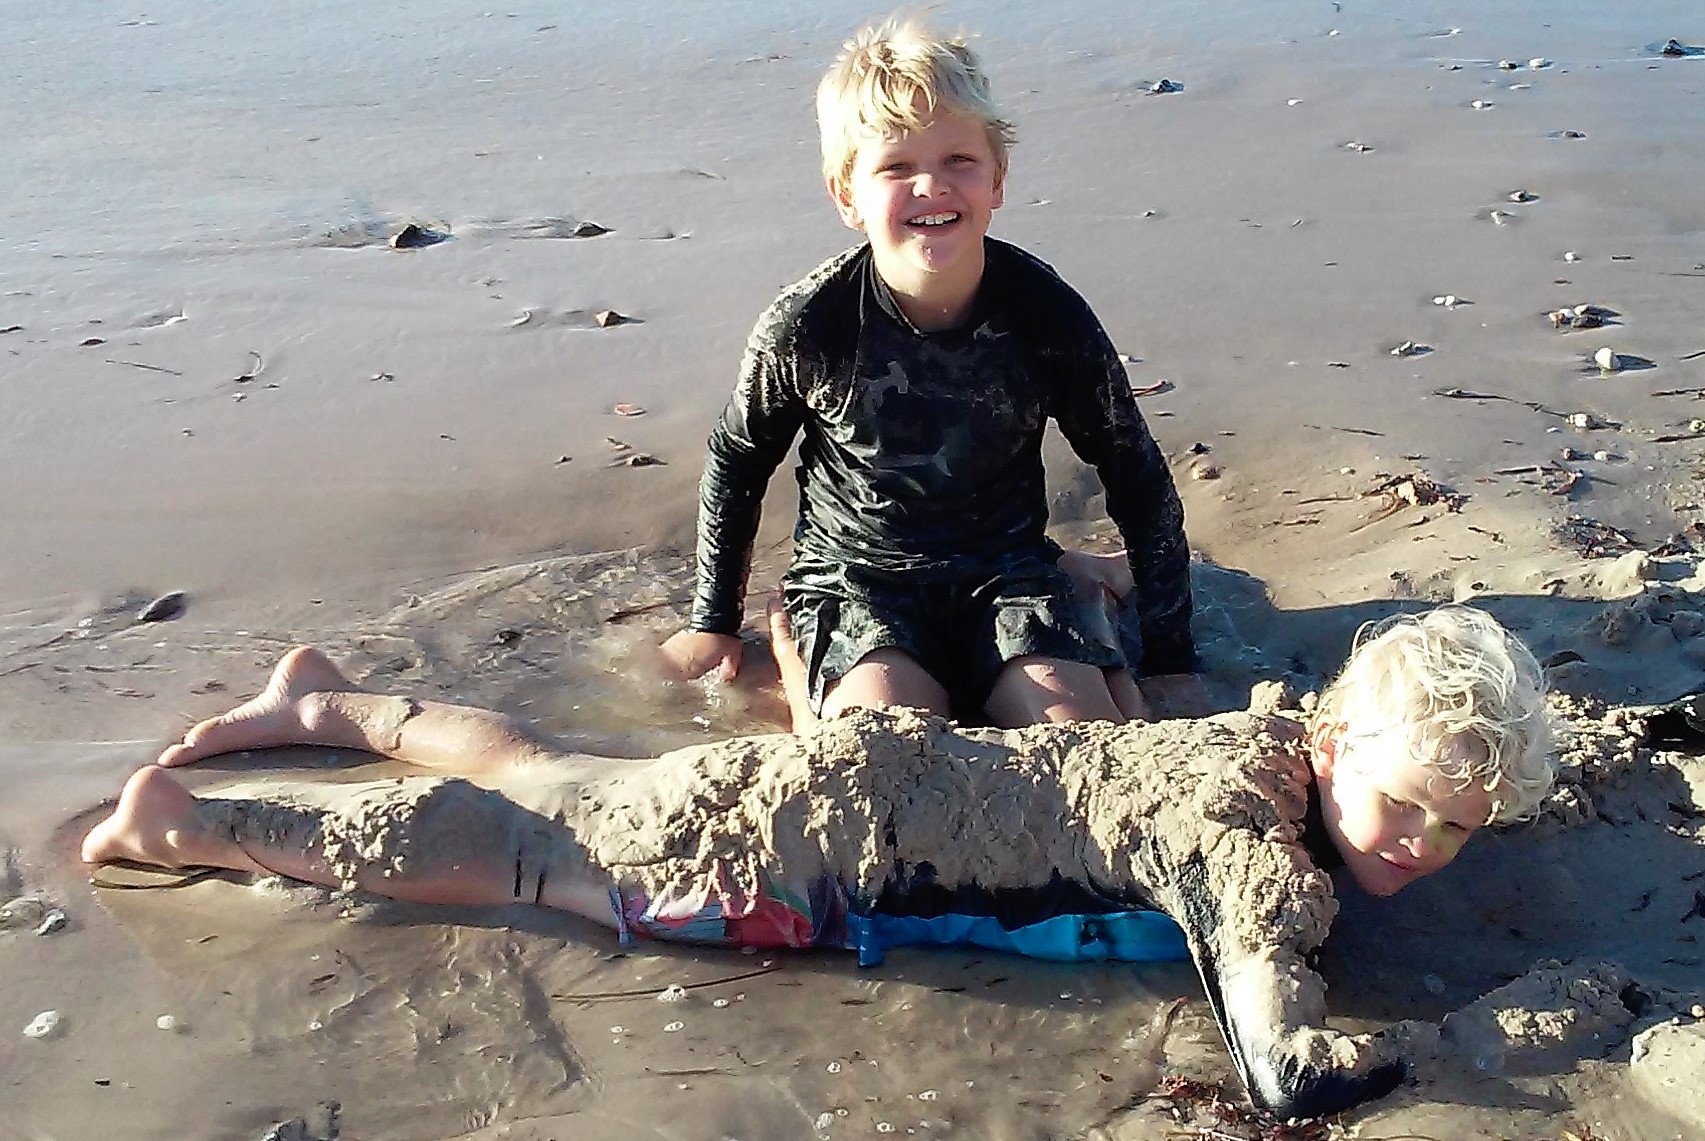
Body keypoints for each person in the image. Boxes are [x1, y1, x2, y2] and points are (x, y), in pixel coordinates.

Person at [82, 604, 1552, 1119]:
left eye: (1456, 827)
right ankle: (203, 826)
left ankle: (333, 705)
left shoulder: (1268, 734)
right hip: (792, 859)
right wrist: (1480, 1042)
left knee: (554, 776)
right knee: (526, 850)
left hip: (868, 779)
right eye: (1404, 805)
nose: (1418, 845)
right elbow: (1282, 1072)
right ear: (1337, 740)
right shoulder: (1247, 849)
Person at [660, 17, 1197, 728]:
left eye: (958, 160)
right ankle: (795, 649)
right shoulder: (808, 326)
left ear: (997, 179)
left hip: (1008, 574)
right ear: (846, 194)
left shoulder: (1046, 315)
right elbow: (738, 458)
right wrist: (713, 620)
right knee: (883, 738)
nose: (931, 186)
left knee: (1082, 733)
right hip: (857, 580)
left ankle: (1083, 601)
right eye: (894, 167)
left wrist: (1171, 653)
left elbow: (1134, 468)